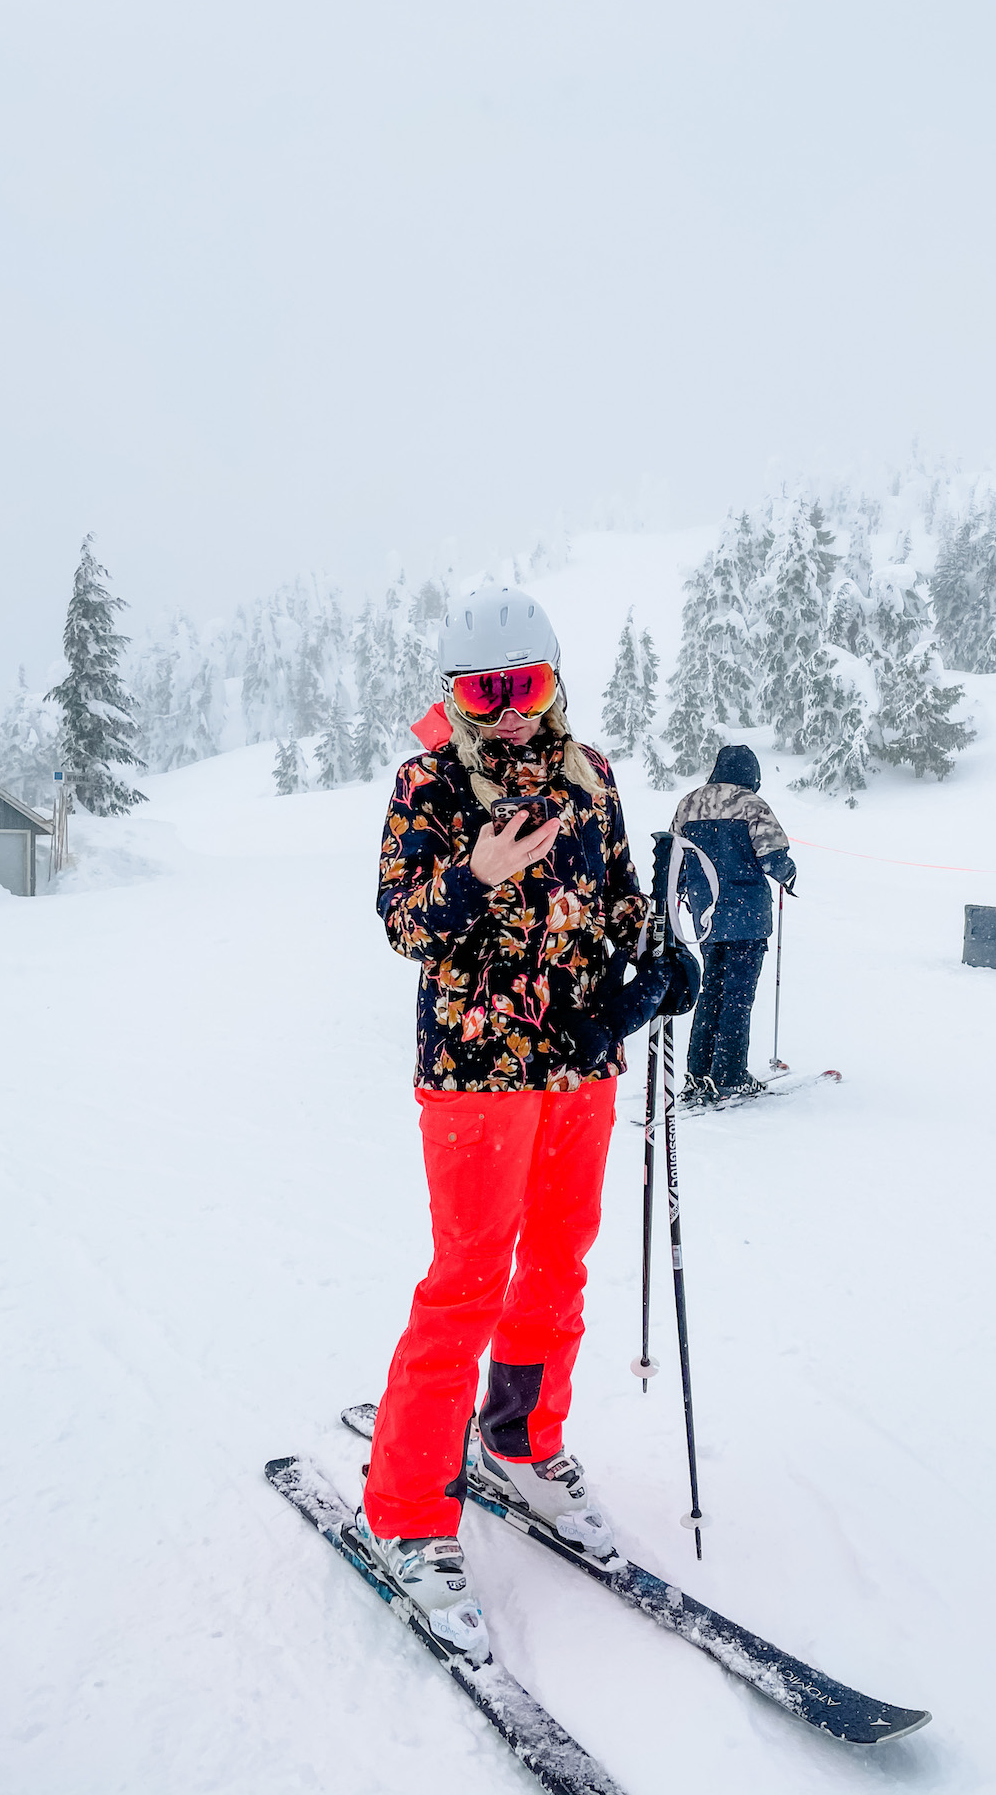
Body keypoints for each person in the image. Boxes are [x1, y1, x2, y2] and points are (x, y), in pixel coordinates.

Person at [357, 588, 677, 1663]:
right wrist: (476, 875)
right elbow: (403, 920)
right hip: (477, 1071)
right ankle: (405, 1508)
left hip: (578, 1063)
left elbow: (622, 896)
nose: (503, 712)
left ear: (551, 684)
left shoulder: (592, 780)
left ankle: (521, 1442)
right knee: (468, 1280)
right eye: (480, 692)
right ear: (453, 695)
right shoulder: (430, 784)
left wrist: (652, 965)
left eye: (522, 687)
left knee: (556, 1266)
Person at [670, 743, 796, 1102]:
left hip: (706, 914)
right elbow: (772, 857)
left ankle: (698, 1071)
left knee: (712, 989)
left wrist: (688, 891)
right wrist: (789, 875)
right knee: (738, 995)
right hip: (746, 913)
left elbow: (675, 857)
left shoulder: (688, 804)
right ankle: (728, 1072)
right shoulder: (751, 804)